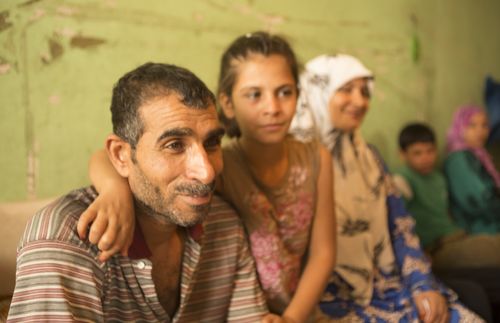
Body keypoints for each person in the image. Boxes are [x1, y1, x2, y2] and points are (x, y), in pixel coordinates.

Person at [79, 32, 336, 322]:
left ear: (298, 95)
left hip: (294, 312)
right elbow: (107, 157)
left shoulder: (316, 158)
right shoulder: (218, 164)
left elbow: (323, 254)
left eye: (285, 92)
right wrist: (115, 191)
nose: (272, 108)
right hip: (241, 306)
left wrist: (291, 319)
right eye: (254, 94)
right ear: (227, 104)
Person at [7, 63, 269, 322]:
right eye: (175, 145)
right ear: (121, 156)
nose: (207, 172)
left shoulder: (223, 225)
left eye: (212, 142)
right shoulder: (64, 242)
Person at [289, 54, 482, 322]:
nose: (359, 101)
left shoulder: (370, 159)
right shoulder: (292, 163)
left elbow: (400, 225)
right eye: (346, 90)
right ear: (317, 92)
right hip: (327, 299)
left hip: (388, 286)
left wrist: (422, 284)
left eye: (364, 92)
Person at [395, 122, 500, 270]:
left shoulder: (437, 178)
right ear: (402, 155)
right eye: (417, 153)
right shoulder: (402, 179)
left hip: (460, 236)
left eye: (430, 151)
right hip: (438, 247)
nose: (425, 158)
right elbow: (395, 222)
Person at [444, 106, 500, 234]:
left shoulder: (479, 155)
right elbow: (480, 199)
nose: (480, 131)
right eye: (472, 125)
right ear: (459, 127)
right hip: (480, 227)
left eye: (484, 125)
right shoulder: (458, 159)